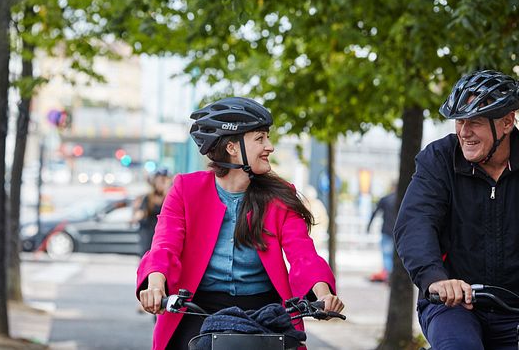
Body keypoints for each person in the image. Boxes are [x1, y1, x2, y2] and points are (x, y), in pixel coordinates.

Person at [136, 97, 344, 350]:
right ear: (232, 148)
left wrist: (324, 296)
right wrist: (155, 287)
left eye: (267, 137)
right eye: (260, 138)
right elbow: (165, 245)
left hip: (264, 312)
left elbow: (303, 254)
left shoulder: (280, 196)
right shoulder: (185, 189)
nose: (270, 146)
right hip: (197, 309)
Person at [394, 70, 519, 350]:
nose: (464, 132)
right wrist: (435, 279)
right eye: (460, 121)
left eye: (475, 122)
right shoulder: (438, 160)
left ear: (506, 123)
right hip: (452, 305)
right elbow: (415, 223)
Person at [135, 168, 172, 257]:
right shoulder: (148, 198)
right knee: (147, 256)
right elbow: (140, 214)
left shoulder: (170, 197)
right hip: (149, 232)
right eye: (159, 180)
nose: (161, 183)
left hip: (163, 234)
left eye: (164, 180)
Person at [366, 187, 396, 283]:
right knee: (394, 256)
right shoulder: (402, 199)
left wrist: (369, 226)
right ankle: (391, 276)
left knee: (387, 255)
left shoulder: (385, 199)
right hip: (398, 233)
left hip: (386, 231)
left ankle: (388, 275)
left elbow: (375, 213)